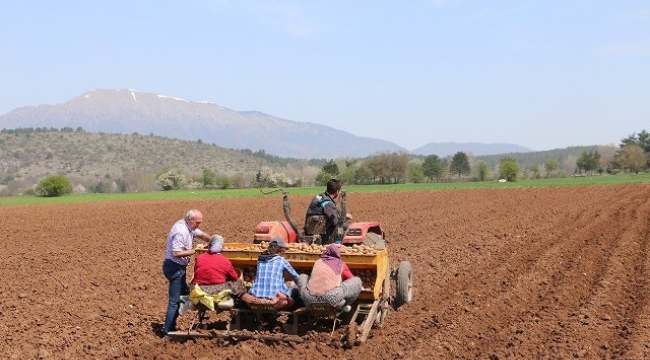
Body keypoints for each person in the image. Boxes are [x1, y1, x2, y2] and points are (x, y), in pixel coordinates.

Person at [162, 209, 211, 337]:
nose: (198, 225)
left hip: (179, 267)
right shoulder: (180, 231)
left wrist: (213, 242)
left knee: (184, 296)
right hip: (174, 267)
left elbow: (201, 235)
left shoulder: (190, 227)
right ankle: (167, 332)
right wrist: (196, 251)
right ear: (190, 220)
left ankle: (172, 325)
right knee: (175, 301)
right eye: (197, 223)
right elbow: (176, 253)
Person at [297, 244, 362, 312]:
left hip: (310, 300)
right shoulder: (340, 263)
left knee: (302, 276)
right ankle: (346, 305)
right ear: (338, 254)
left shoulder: (318, 262)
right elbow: (350, 277)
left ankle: (304, 303)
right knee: (357, 281)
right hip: (331, 299)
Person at [243, 237, 300, 310]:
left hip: (255, 300)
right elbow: (296, 277)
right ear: (281, 250)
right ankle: (281, 313)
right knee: (294, 290)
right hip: (273, 302)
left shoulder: (260, 260)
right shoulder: (282, 260)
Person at [304, 178, 353, 245]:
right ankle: (336, 244)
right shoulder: (328, 203)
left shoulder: (320, 196)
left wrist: (344, 215)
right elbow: (336, 222)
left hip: (311, 227)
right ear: (337, 192)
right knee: (344, 226)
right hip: (321, 233)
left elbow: (330, 212)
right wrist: (345, 220)